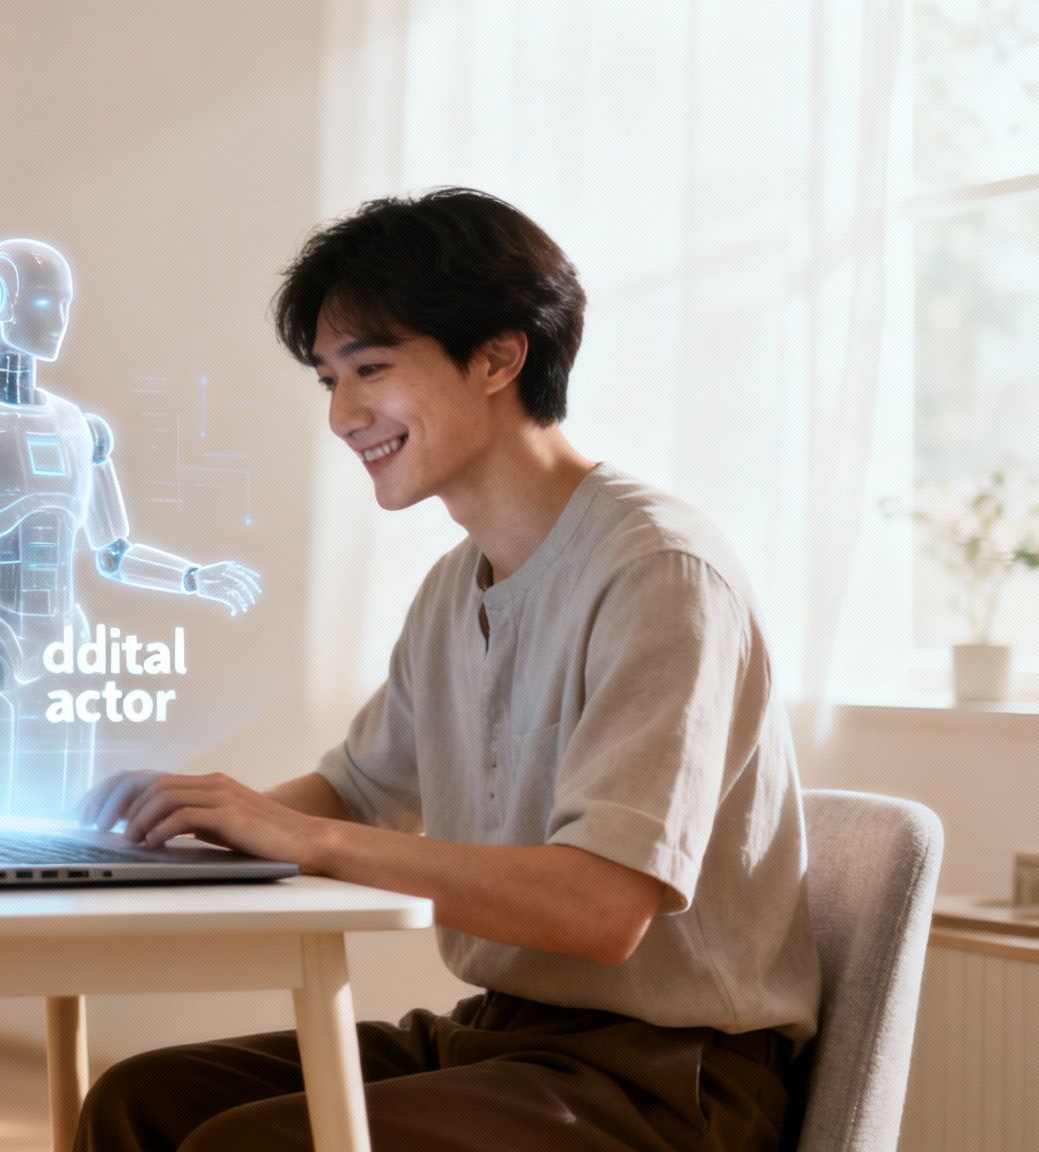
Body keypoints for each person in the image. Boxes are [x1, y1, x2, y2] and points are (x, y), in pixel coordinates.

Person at [72, 188, 821, 1152]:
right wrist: (161, 834)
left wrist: (301, 838)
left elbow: (601, 909)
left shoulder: (658, 570)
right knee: (139, 1101)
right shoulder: (451, 588)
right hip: (500, 1040)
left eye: (370, 369)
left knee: (247, 1147)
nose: (343, 415)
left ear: (498, 356)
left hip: (670, 1082)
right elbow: (358, 792)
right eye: (327, 381)